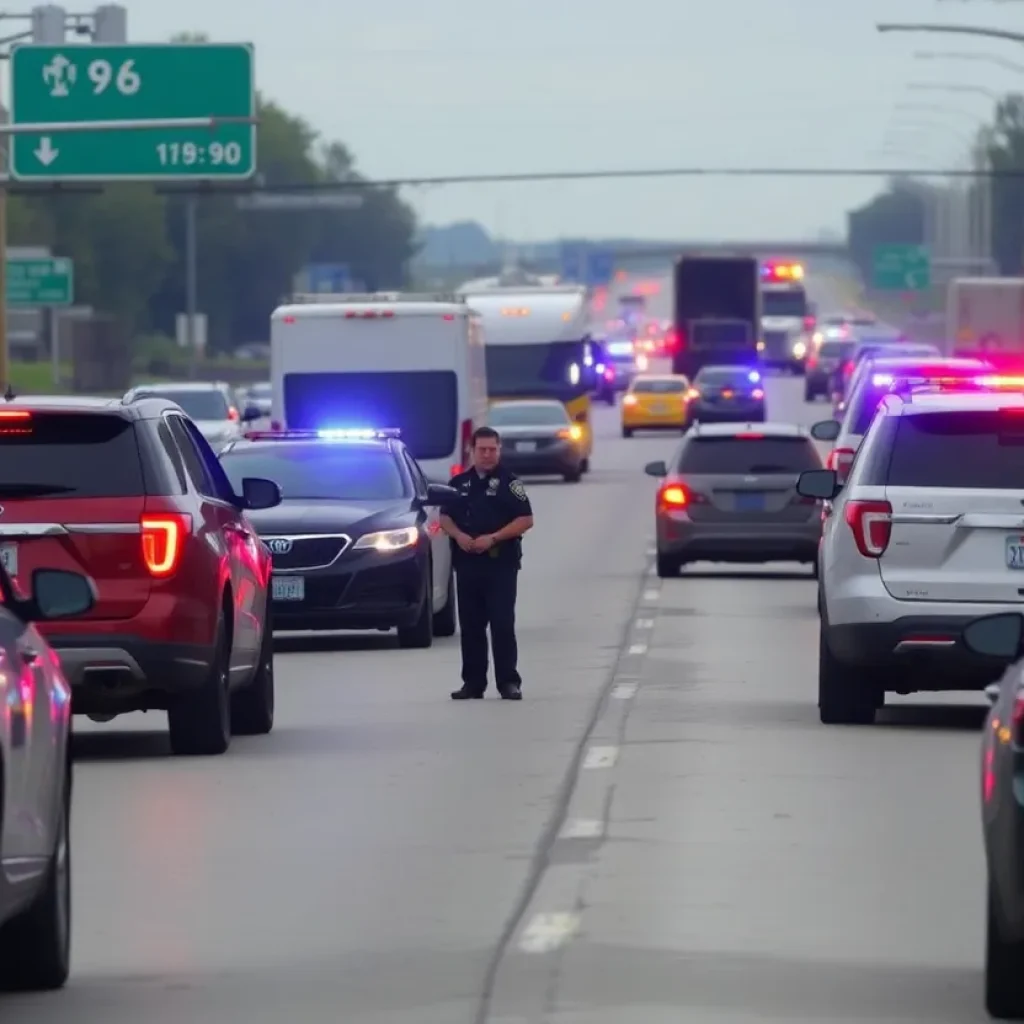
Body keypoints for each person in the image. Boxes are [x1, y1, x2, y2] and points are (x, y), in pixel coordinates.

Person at [439, 426, 534, 700]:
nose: (488, 455)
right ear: (472, 451)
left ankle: (508, 682)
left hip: (500, 564)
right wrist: (458, 536)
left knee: (502, 623)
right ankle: (473, 683)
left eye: (493, 449)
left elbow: (526, 519)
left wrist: (493, 538)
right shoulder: (458, 483)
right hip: (468, 564)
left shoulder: (510, 483)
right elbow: (444, 517)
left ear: (499, 449)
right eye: (482, 449)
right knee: (470, 627)